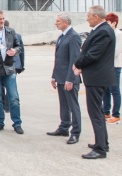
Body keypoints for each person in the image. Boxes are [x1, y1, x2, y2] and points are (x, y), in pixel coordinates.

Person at [73, 5, 116, 159]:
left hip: (97, 77)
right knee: (98, 111)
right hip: (97, 77)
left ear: (96, 17)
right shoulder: (101, 30)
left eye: (89, 16)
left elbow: (93, 54)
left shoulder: (103, 31)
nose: (87, 19)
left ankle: (100, 149)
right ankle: (103, 142)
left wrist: (77, 64)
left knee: (95, 112)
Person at [47, 13, 82, 144]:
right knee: (63, 105)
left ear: (66, 22)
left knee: (73, 106)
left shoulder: (74, 36)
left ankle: (75, 133)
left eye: (58, 21)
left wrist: (70, 79)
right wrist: (54, 76)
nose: (56, 23)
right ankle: (64, 127)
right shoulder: (62, 37)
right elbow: (59, 60)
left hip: (69, 79)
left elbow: (74, 60)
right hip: (61, 77)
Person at [102, 12, 122, 124]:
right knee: (105, 90)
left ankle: (116, 115)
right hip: (106, 66)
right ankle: (106, 112)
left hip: (115, 66)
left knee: (114, 90)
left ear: (114, 23)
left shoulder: (118, 34)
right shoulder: (108, 33)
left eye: (108, 23)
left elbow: (116, 51)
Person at [2, 20, 25, 113]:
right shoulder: (17, 35)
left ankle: (4, 104)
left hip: (4, 64)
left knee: (2, 85)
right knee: (10, 85)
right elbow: (21, 51)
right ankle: (7, 106)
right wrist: (21, 65)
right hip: (14, 64)